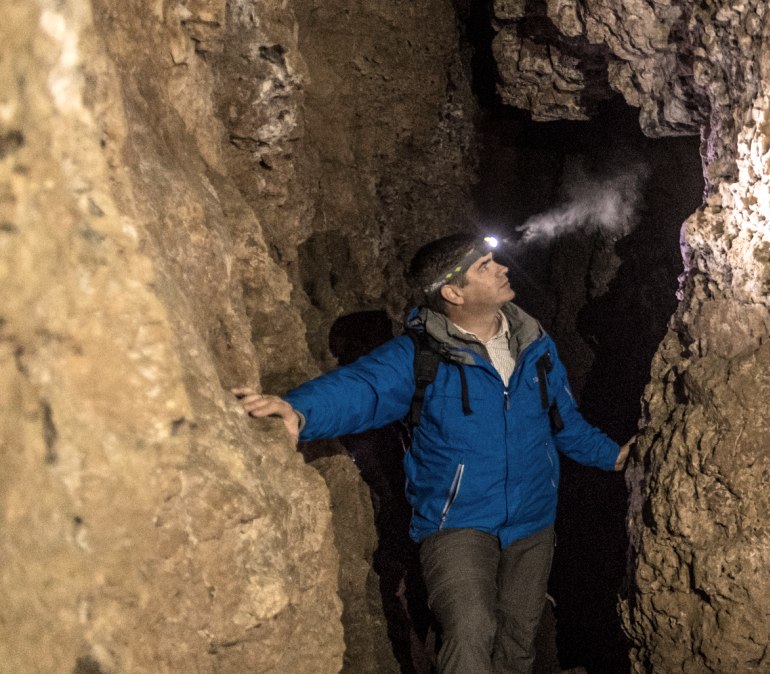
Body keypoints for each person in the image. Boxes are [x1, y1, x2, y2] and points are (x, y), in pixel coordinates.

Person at [233, 233, 628, 674]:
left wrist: (614, 456)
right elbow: (363, 388)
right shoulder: (421, 356)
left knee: (518, 638)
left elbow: (564, 422)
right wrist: (298, 410)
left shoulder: (535, 346)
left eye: (495, 261)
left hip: (532, 520)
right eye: (485, 267)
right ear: (453, 293)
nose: (503, 269)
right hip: (456, 521)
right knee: (470, 628)